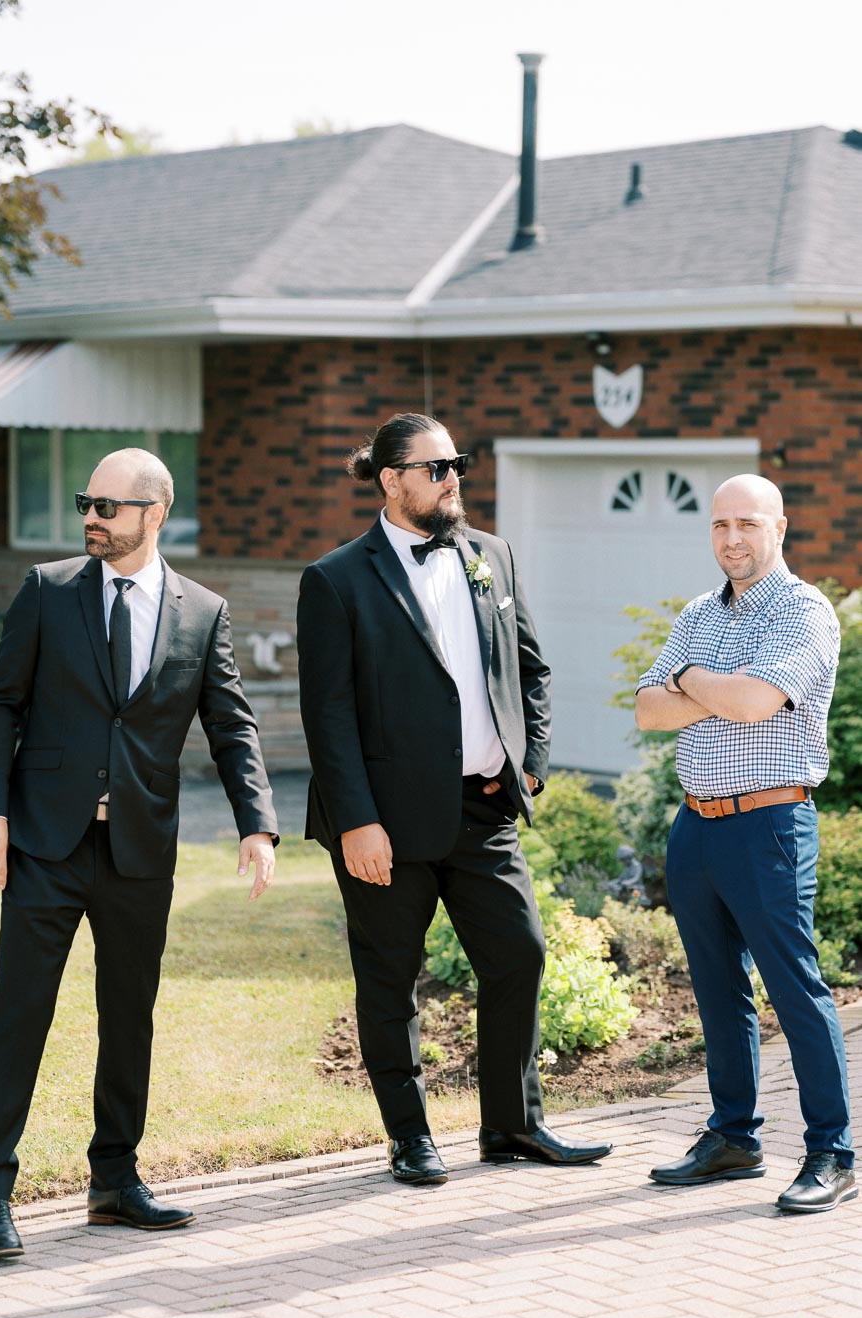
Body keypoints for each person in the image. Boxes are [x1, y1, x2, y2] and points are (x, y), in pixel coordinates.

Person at [0, 447, 278, 1259]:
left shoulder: (202, 611)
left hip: (141, 847)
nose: (91, 518)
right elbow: (0, 706)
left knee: (128, 1016)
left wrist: (257, 822)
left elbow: (233, 724)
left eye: (109, 506)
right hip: (43, 842)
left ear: (154, 514)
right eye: (85, 503)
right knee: (18, 1014)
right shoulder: (48, 590)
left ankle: (114, 1181)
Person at [296, 412, 611, 1186]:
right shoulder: (334, 580)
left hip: (484, 809)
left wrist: (529, 762)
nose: (453, 479)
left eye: (457, 464)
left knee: (520, 956)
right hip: (385, 826)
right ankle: (409, 1136)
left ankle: (511, 1127)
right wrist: (359, 823)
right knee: (389, 981)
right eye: (436, 467)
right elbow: (327, 716)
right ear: (391, 478)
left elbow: (529, 668)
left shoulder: (490, 556)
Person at [636, 473, 855, 1214]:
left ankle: (832, 1151)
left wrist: (691, 678)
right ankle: (734, 1136)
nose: (733, 539)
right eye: (721, 525)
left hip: (769, 824)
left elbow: (758, 703)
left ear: (780, 528)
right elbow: (646, 710)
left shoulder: (804, 612)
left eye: (748, 525)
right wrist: (716, 691)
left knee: (795, 988)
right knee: (716, 989)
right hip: (695, 824)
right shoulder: (700, 609)